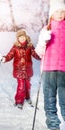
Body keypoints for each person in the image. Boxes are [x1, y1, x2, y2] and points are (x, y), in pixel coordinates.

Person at [35, 0, 65, 130]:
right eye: (57, 11)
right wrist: (43, 41)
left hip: (63, 71)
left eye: (63, 11)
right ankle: (53, 126)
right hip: (48, 70)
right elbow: (38, 52)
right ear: (51, 14)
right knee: (49, 100)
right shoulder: (46, 29)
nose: (60, 14)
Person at [0, 29, 40, 109]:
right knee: (21, 86)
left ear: (26, 37)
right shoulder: (15, 47)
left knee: (27, 85)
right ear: (18, 38)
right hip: (19, 70)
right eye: (20, 37)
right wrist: (3, 59)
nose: (22, 38)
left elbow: (35, 54)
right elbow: (9, 56)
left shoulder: (30, 46)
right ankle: (19, 101)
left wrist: (41, 56)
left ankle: (27, 97)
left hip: (28, 70)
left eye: (23, 36)